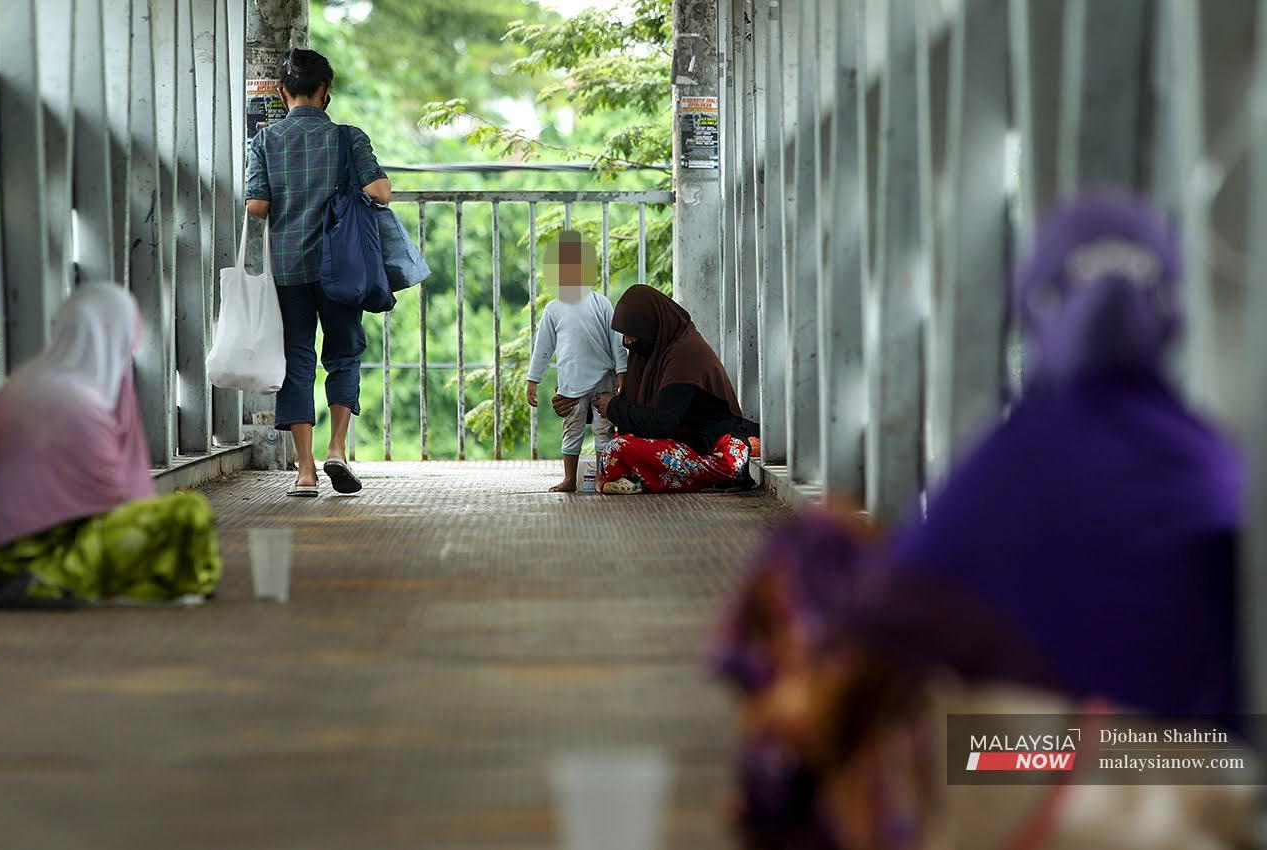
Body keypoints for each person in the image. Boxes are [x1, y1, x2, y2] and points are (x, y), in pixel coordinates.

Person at [709, 194, 1252, 850]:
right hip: (1217, 780)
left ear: (1032, 305)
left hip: (1045, 772)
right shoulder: (1218, 463)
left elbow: (885, 625)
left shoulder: (1013, 460)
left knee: (813, 550)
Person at [0, 283, 222, 605]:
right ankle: (47, 578)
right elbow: (109, 501)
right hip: (36, 550)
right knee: (189, 512)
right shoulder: (81, 402)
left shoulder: (23, 381)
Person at [245, 48, 392, 498]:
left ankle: (305, 471)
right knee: (344, 355)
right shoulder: (349, 138)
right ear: (326, 92)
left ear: (283, 91)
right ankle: (338, 450)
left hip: (290, 266)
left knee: (297, 359)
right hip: (342, 268)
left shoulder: (266, 141)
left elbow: (257, 205)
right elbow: (380, 193)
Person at [592, 284, 759, 494]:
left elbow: (663, 422)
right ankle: (641, 480)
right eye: (625, 335)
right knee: (616, 447)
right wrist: (582, 403)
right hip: (683, 443)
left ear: (651, 327)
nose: (628, 341)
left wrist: (614, 407)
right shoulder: (650, 352)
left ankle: (642, 479)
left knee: (619, 450)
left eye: (634, 334)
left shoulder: (685, 354)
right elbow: (635, 413)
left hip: (714, 448)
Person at [526, 230, 628, 492]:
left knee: (603, 432)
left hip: (603, 381)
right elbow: (543, 349)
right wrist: (533, 380)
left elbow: (616, 341)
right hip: (571, 383)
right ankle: (570, 479)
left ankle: (603, 478)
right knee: (572, 430)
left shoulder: (602, 303)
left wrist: (622, 371)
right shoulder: (553, 309)